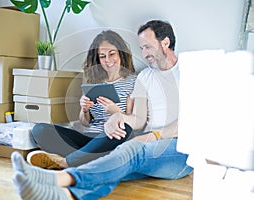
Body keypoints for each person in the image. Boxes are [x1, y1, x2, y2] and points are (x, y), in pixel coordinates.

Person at [11, 20, 193, 200]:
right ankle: (64, 195)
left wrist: (154, 135)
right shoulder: (145, 77)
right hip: (143, 145)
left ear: (165, 42)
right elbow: (138, 119)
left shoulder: (191, 71)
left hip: (177, 148)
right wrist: (118, 117)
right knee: (110, 170)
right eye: (142, 48)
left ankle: (60, 170)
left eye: (147, 47)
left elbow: (193, 120)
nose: (144, 54)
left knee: (130, 150)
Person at [28, 30, 137, 169]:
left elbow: (134, 121)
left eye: (112, 54)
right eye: (102, 56)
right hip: (88, 140)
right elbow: (85, 122)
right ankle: (87, 159)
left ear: (120, 53)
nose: (108, 60)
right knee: (39, 130)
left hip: (110, 140)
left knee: (124, 128)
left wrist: (116, 112)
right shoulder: (93, 82)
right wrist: (84, 109)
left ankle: (65, 162)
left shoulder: (133, 82)